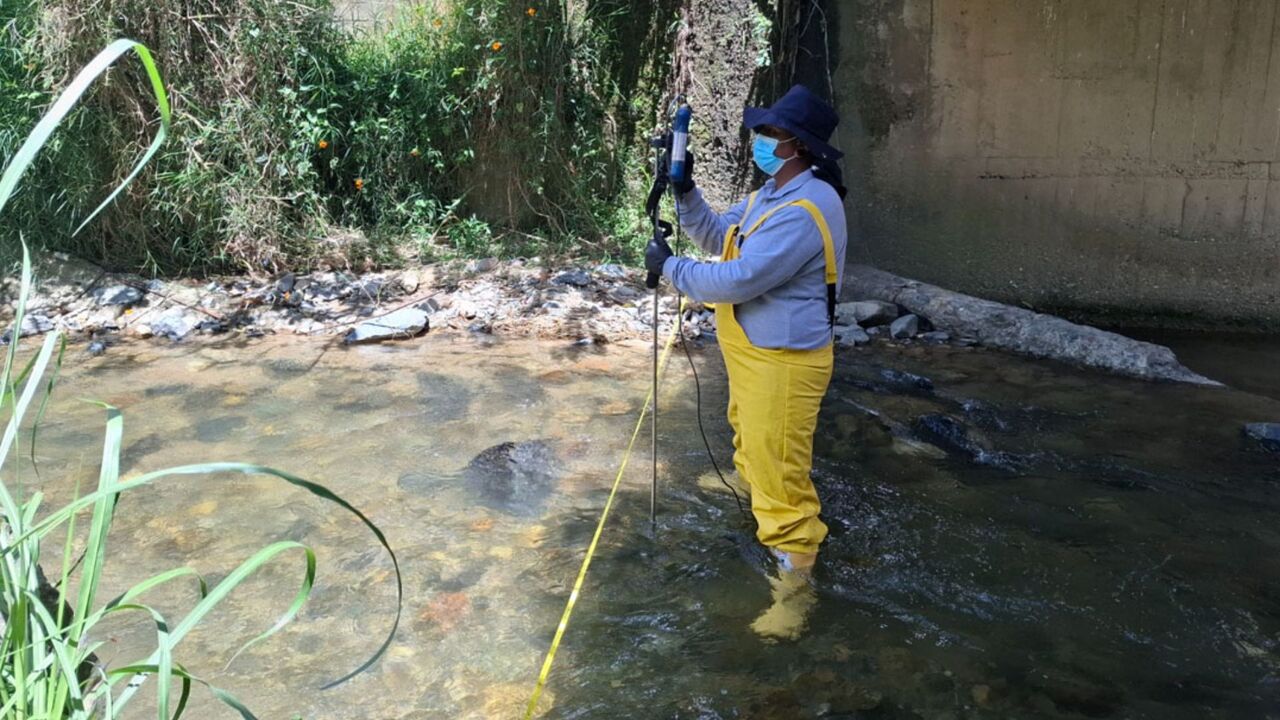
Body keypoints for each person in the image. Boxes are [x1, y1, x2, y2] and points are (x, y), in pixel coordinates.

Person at [645, 84, 848, 640]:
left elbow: (738, 279)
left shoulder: (807, 208)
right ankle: (748, 480)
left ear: (797, 146)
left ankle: (796, 588)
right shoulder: (769, 194)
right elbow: (718, 238)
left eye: (769, 134)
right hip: (754, 350)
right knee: (749, 434)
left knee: (781, 468)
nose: (758, 140)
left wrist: (669, 269)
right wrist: (685, 193)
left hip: (785, 361)